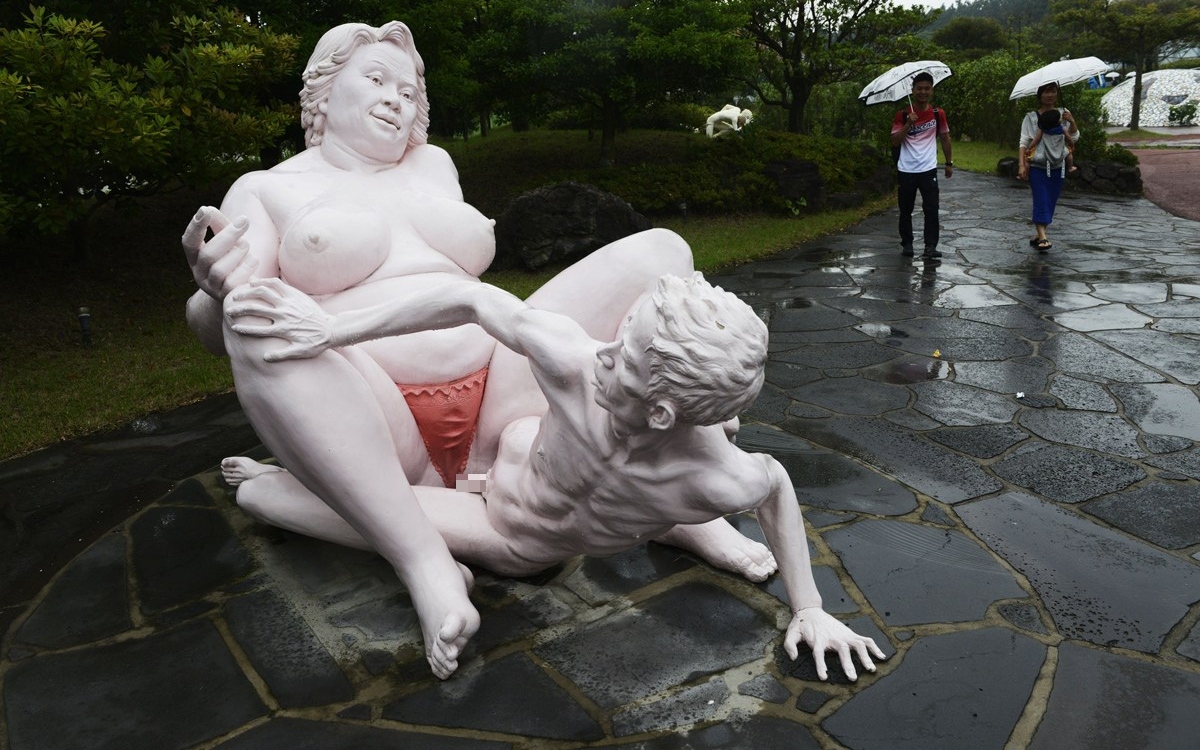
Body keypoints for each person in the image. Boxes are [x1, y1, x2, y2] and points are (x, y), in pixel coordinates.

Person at [180, 21, 703, 679]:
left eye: (408, 90)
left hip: (504, 396)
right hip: (375, 419)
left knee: (663, 253)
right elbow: (219, 328)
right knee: (255, 317)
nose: (395, 99)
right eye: (376, 79)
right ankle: (424, 559)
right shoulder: (266, 188)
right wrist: (212, 293)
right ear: (323, 90)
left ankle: (664, 475)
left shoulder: (436, 165)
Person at [223, 273, 888, 682]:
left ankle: (686, 527)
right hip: (499, 464)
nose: (604, 352)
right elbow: (470, 298)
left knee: (260, 497)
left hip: (508, 532)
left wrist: (810, 608)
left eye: (624, 358)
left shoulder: (715, 475)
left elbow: (775, 485)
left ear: (661, 413)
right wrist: (334, 327)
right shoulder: (577, 362)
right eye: (623, 335)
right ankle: (680, 528)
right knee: (285, 489)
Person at [891, 72, 953, 259]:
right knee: (905, 210)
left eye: (927, 88)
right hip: (906, 169)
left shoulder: (938, 114)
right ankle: (907, 243)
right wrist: (908, 124)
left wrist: (948, 162)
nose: (923, 92)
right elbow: (895, 141)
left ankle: (930, 246)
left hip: (928, 168)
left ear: (932, 91)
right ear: (913, 91)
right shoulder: (902, 115)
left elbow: (945, 137)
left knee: (932, 209)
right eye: (919, 88)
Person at [1018, 82, 1080, 253]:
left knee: (1051, 200)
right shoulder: (1031, 117)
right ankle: (1043, 237)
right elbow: (1024, 142)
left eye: (1053, 91)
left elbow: (1073, 138)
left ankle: (1039, 233)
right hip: (1038, 167)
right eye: (1046, 92)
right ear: (1039, 95)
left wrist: (1072, 121)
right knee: (1041, 199)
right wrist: (1021, 164)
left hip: (1058, 166)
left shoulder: (1063, 113)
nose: (1050, 95)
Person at [1025, 108, 1077, 174]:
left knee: (1027, 159)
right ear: (1057, 121)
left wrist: (1029, 148)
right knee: (1069, 154)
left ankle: (1026, 174)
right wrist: (1072, 146)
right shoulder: (1062, 129)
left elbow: (1036, 140)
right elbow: (1069, 139)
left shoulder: (1043, 129)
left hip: (1043, 157)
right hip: (1060, 155)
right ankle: (1070, 167)